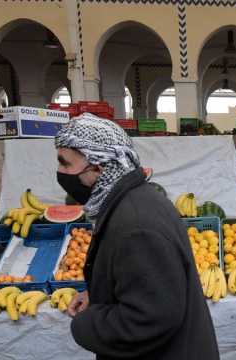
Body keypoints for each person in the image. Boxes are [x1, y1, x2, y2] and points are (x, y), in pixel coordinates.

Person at [55, 114, 219, 360]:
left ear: (99, 166)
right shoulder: (132, 200)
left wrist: (86, 324)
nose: (59, 172)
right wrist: (100, 295)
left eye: (65, 163)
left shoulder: (137, 227)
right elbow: (147, 284)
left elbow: (149, 318)